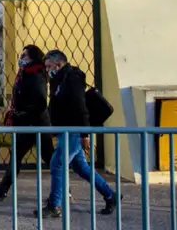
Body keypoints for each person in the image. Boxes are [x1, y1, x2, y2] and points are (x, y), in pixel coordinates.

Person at [35, 50, 119, 218]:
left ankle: (54, 205)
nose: (47, 70)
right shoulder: (58, 79)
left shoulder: (72, 78)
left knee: (57, 164)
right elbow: (57, 105)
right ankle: (111, 195)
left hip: (73, 130)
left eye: (49, 66)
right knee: (81, 167)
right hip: (64, 130)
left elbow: (80, 107)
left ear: (59, 64)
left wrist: (84, 134)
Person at [0, 45, 55, 199]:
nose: (21, 58)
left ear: (33, 58)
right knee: (16, 155)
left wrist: (24, 114)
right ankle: (3, 187)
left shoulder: (36, 75)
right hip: (26, 123)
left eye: (24, 55)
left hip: (38, 124)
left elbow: (40, 102)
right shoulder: (25, 73)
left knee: (50, 158)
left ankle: (65, 189)